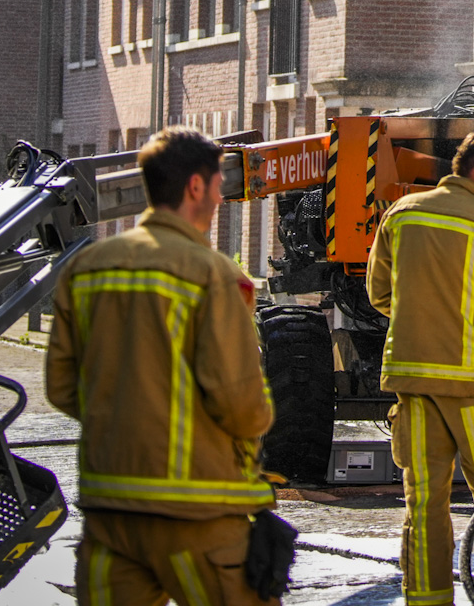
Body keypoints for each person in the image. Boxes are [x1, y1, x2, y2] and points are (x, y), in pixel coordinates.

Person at [47, 127, 281, 606]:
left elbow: (62, 388)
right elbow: (241, 406)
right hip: (196, 512)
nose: (221, 196)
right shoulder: (213, 276)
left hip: (109, 512)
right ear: (196, 187)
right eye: (218, 184)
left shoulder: (86, 270)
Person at [368, 130, 474, 606]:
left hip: (413, 386)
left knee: (423, 502)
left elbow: (380, 294)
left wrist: (425, 323)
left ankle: (425, 600)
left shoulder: (400, 215)